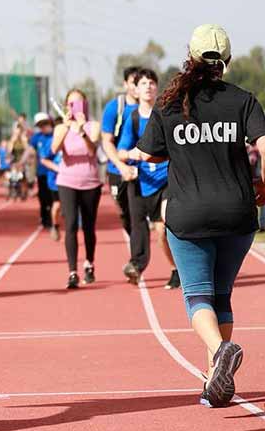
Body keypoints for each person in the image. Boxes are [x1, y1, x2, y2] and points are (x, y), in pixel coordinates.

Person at [131, 24, 265, 407]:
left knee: (197, 298)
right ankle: (215, 380)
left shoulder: (170, 103)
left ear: (191, 57)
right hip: (237, 213)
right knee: (222, 295)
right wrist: (263, 184)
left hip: (188, 215)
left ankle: (220, 353)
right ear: (226, 62)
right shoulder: (242, 99)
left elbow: (149, 154)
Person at [118, 69, 179, 289]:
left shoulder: (167, 112)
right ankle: (137, 264)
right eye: (143, 83)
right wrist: (132, 155)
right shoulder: (132, 118)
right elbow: (121, 151)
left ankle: (176, 269)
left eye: (152, 82)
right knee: (136, 224)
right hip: (142, 181)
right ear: (136, 88)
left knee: (164, 227)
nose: (148, 86)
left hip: (166, 178)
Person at [52, 88, 102, 289]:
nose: (75, 107)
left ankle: (89, 263)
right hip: (67, 181)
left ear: (85, 105)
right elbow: (53, 149)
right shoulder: (60, 128)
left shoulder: (93, 126)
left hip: (90, 182)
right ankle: (72, 271)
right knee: (71, 224)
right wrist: (66, 127)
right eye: (71, 104)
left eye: (79, 103)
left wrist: (82, 130)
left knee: (88, 226)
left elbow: (92, 150)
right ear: (66, 107)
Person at [101, 66, 142, 267]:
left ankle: (137, 261)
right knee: (125, 215)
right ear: (126, 84)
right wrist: (121, 165)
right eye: (134, 82)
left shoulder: (153, 108)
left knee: (138, 217)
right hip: (118, 170)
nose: (137, 87)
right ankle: (137, 247)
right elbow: (106, 141)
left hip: (147, 170)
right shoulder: (114, 108)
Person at [29, 112, 57, 235]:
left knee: (54, 198)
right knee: (43, 197)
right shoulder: (37, 137)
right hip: (42, 172)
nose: (43, 127)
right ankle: (45, 219)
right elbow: (29, 151)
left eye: (45, 124)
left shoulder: (57, 134)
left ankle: (53, 219)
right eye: (40, 125)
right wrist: (20, 162)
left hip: (56, 173)